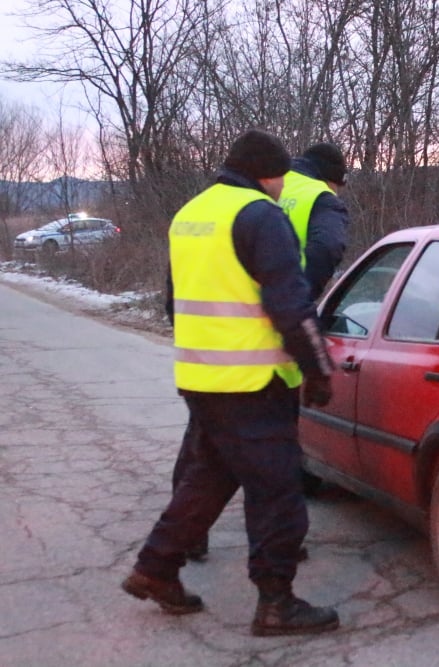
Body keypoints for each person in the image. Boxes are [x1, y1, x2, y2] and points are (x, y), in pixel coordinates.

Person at [122, 129, 341, 637]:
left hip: (201, 377)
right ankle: (276, 605)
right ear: (269, 173)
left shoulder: (191, 213)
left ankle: (156, 570)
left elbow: (172, 301)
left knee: (208, 479)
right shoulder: (262, 215)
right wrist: (317, 366)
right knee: (278, 493)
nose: (284, 185)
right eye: (282, 176)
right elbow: (290, 303)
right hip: (254, 382)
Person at [169, 140, 350, 561]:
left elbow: (173, 293)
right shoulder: (316, 201)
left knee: (204, 461)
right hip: (263, 355)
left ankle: (171, 554)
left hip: (201, 360)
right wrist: (305, 312)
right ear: (333, 179)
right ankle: (275, 588)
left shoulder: (193, 210)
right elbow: (321, 255)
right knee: (274, 475)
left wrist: (199, 336)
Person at [279, 142, 350, 301]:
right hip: (280, 308)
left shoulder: (270, 183)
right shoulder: (323, 198)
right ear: (330, 178)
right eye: (337, 187)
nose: (336, 193)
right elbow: (327, 247)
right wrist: (299, 297)